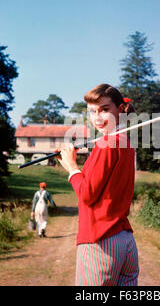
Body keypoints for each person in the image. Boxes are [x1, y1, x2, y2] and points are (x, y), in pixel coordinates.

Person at [57, 84, 140, 286]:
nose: (98, 117)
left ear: (120, 109)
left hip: (101, 240)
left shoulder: (107, 143)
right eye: (93, 111)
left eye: (105, 109)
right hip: (125, 241)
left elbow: (86, 194)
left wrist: (72, 167)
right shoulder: (125, 142)